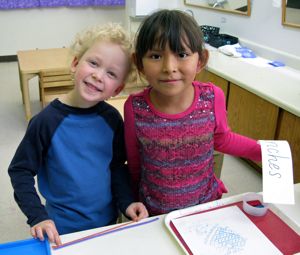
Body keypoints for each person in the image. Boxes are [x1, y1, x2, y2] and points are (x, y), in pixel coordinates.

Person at [8, 23, 148, 246]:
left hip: (106, 224)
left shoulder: (112, 120)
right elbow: (20, 170)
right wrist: (38, 216)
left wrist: (127, 202)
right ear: (75, 63)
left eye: (111, 73)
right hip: (60, 231)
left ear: (117, 90)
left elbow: (116, 166)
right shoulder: (46, 122)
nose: (98, 75)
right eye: (93, 63)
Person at [124, 9, 261, 216]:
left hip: (205, 206)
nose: (169, 67)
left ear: (201, 60)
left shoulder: (212, 97)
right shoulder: (135, 107)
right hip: (155, 212)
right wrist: (134, 201)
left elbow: (223, 139)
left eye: (182, 54)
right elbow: (134, 162)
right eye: (155, 56)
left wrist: (262, 152)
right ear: (139, 64)